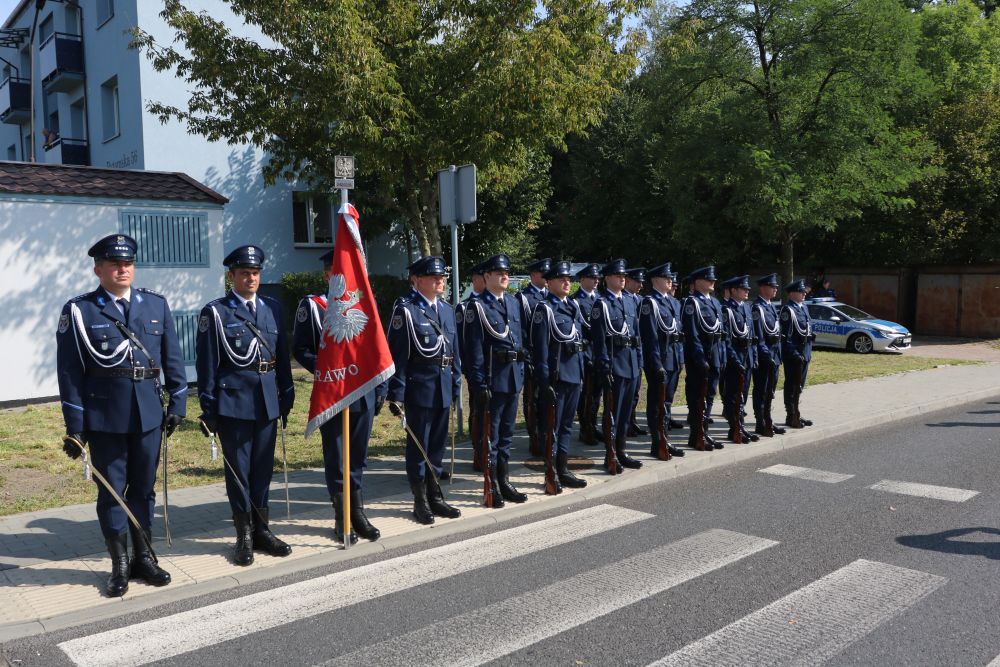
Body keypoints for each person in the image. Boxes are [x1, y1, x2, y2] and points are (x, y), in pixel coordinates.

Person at [56, 233, 185, 596]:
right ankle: (120, 565)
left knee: (143, 489)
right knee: (113, 492)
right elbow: (69, 372)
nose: (122, 269)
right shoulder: (80, 310)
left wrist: (178, 403)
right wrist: (76, 426)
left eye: (127, 263)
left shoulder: (155, 304)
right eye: (114, 264)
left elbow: (172, 357)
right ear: (98, 269)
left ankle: (144, 557)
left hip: (148, 414)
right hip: (105, 417)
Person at [196, 245, 295, 566]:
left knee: (263, 469)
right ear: (232, 276)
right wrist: (209, 408)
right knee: (239, 472)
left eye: (255, 273)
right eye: (244, 273)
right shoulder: (216, 312)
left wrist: (287, 394)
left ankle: (263, 529)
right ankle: (244, 536)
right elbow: (207, 365)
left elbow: (282, 356)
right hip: (234, 402)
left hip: (267, 400)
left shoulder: (272, 308)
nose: (250, 278)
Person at [292, 250, 385, 544]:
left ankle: (357, 512)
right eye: (338, 272)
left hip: (363, 393)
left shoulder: (365, 304)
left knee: (358, 456)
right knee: (337, 457)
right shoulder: (314, 306)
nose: (344, 276)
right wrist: (329, 370)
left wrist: (381, 388)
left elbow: (378, 351)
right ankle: (341, 516)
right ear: (327, 275)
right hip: (333, 393)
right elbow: (301, 349)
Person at [385, 257, 462, 524]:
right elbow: (398, 356)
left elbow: (454, 353)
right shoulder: (406, 310)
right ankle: (419, 501)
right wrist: (397, 394)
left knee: (437, 446)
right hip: (419, 389)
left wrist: (455, 384)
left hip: (442, 387)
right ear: (416, 280)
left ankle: (436, 496)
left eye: (442, 276)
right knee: (419, 448)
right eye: (432, 276)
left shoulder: (448, 310)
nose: (440, 280)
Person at [463, 254, 529, 507]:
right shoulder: (477, 306)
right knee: (491, 437)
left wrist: (522, 368)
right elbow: (474, 350)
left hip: (512, 378)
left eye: (507, 273)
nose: (505, 276)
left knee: (507, 435)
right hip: (493, 380)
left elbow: (519, 339)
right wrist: (479, 384)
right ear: (486, 276)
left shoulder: (512, 302)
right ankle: (491, 485)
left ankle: (504, 481)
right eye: (499, 273)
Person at [531, 261, 588, 491]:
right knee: (551, 428)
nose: (567, 282)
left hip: (574, 374)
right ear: (549, 282)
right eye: (561, 279)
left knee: (566, 426)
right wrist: (544, 382)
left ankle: (563, 469)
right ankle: (550, 472)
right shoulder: (545, 309)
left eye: (569, 279)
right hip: (557, 377)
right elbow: (540, 350)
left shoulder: (572, 307)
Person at [590, 259, 644, 472]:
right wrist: (605, 367)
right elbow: (599, 340)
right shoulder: (601, 304)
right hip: (615, 364)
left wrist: (639, 361)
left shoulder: (630, 301)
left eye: (624, 276)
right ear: (607, 278)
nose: (622, 278)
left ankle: (621, 451)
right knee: (612, 413)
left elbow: (636, 336)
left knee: (626, 412)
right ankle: (610, 454)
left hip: (631, 364)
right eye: (618, 275)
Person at [639, 263, 687, 460]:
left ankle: (664, 438)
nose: (670, 280)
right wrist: (656, 363)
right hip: (660, 359)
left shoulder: (673, 303)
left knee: (667, 402)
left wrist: (680, 359)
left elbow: (678, 334)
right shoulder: (650, 303)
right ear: (654, 280)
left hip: (673, 357)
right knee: (657, 403)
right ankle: (657, 441)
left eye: (670, 278)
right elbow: (649, 337)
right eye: (665, 277)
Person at [681, 266, 725, 452]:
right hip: (700, 357)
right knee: (697, 395)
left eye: (713, 279)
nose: (712, 282)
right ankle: (696, 434)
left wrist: (721, 355)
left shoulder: (714, 302)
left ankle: (704, 431)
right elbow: (692, 335)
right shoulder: (692, 303)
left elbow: (720, 333)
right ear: (697, 281)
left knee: (710, 394)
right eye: (708, 279)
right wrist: (700, 358)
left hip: (714, 354)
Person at [516, 258, 551, 457]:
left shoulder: (550, 296)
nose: (547, 277)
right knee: (533, 400)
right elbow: (521, 331)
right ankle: (535, 437)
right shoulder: (524, 298)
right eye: (543, 273)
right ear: (533, 275)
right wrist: (527, 358)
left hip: (549, 358)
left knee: (548, 399)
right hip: (533, 357)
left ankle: (547, 434)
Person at [455, 262, 486, 472]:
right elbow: (461, 341)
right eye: (483, 277)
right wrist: (468, 369)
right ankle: (478, 451)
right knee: (478, 410)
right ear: (475, 280)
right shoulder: (465, 307)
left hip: (495, 369)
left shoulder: (496, 304)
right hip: (476, 370)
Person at [721, 276, 758, 443]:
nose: (747, 291)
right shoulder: (727, 310)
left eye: (747, 289)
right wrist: (735, 361)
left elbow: (752, 336)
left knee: (743, 394)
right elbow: (726, 340)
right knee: (733, 395)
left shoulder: (747, 308)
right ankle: (734, 427)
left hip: (747, 357)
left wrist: (754, 357)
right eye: (743, 289)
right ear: (733, 290)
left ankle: (740, 426)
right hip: (735, 359)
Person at [571, 263, 602, 445]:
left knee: (597, 393)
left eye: (597, 278)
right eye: (592, 278)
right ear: (582, 280)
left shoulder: (600, 299)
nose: (596, 280)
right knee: (586, 393)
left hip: (599, 352)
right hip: (587, 352)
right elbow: (582, 329)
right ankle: (585, 427)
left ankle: (593, 424)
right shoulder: (576, 301)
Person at [780, 279, 814, 429]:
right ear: (792, 294)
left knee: (799, 385)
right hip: (794, 355)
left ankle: (796, 413)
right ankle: (791, 414)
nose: (804, 293)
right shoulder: (788, 310)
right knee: (792, 385)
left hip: (805, 352)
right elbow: (785, 337)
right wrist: (794, 353)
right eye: (801, 291)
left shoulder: (803, 307)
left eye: (804, 291)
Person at [624, 267, 648, 437]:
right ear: (628, 281)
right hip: (626, 352)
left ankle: (632, 421)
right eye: (637, 281)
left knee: (636, 390)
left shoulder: (640, 300)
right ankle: (625, 423)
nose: (641, 285)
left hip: (639, 350)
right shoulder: (623, 299)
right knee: (626, 392)